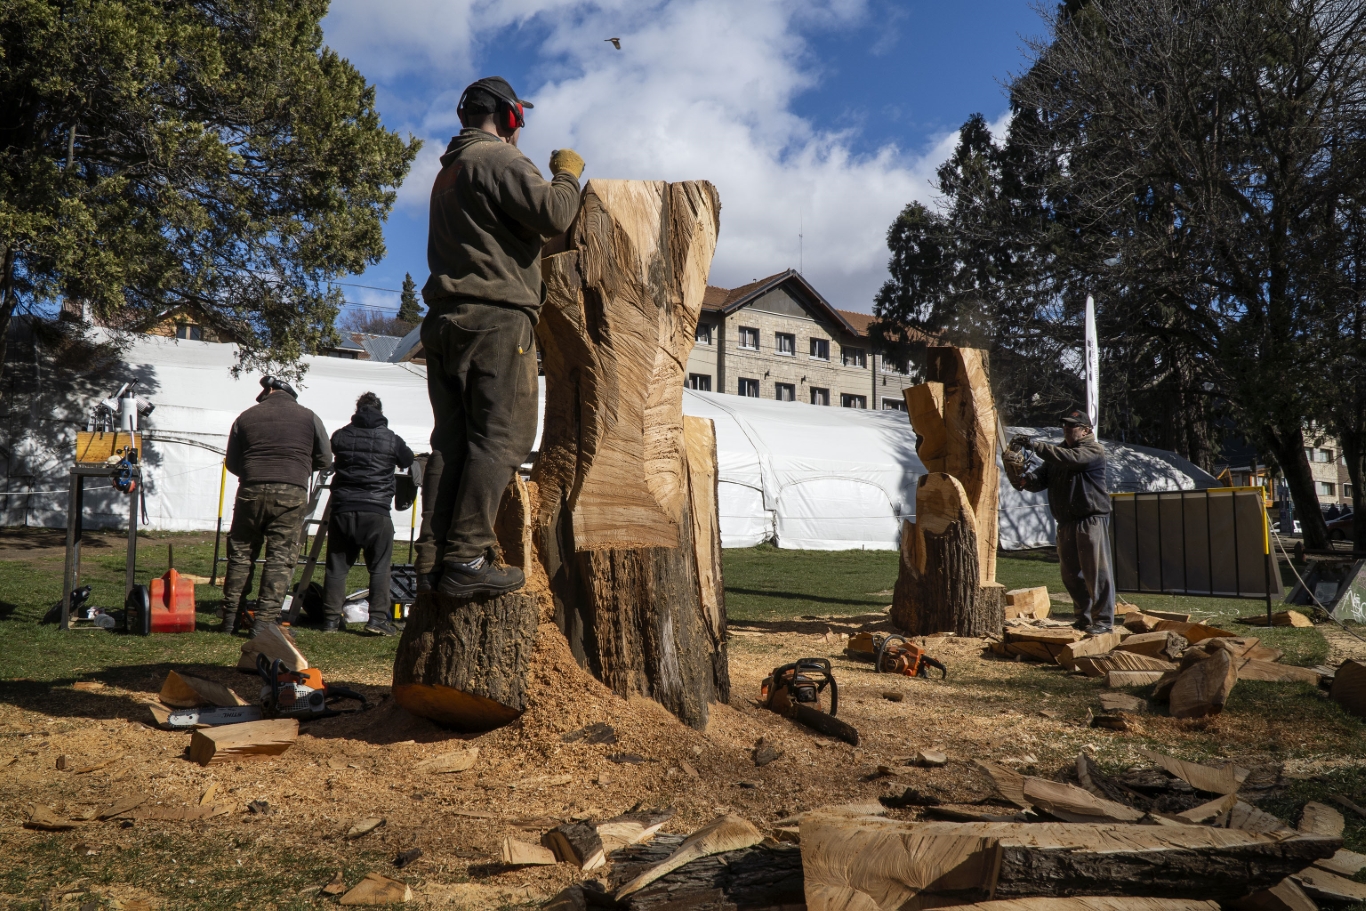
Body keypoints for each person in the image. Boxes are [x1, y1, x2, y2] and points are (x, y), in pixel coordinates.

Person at [414, 75, 585, 598]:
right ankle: (466, 559)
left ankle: (432, 560)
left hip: (446, 321)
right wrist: (566, 175)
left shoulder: (450, 170)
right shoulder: (498, 159)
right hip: (494, 319)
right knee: (502, 439)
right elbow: (555, 214)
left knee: (452, 445)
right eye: (519, 119)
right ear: (508, 117)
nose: (521, 130)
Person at [221, 376, 332, 636]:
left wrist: (255, 472)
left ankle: (229, 620)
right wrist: (297, 466)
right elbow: (325, 459)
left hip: (251, 489)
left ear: (269, 391)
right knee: (280, 558)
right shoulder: (309, 417)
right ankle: (265, 623)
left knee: (240, 555)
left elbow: (233, 463)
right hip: (291, 492)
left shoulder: (246, 417)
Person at [1007, 408, 1115, 633]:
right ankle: (1084, 618)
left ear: (1086, 430)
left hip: (1090, 517)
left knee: (1096, 573)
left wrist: (1036, 446)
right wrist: (1023, 479)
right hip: (1065, 522)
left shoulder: (1093, 450)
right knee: (1070, 575)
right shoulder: (1058, 452)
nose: (1066, 428)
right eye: (1064, 425)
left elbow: (1071, 459)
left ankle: (1103, 622)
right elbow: (1041, 478)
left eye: (1072, 425)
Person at [321, 392, 415, 636]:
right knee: (380, 568)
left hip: (342, 510)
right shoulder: (391, 439)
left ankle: (331, 620)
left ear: (358, 409)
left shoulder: (341, 435)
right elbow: (408, 459)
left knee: (337, 568)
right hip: (376, 512)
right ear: (380, 411)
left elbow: (332, 448)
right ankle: (376, 620)